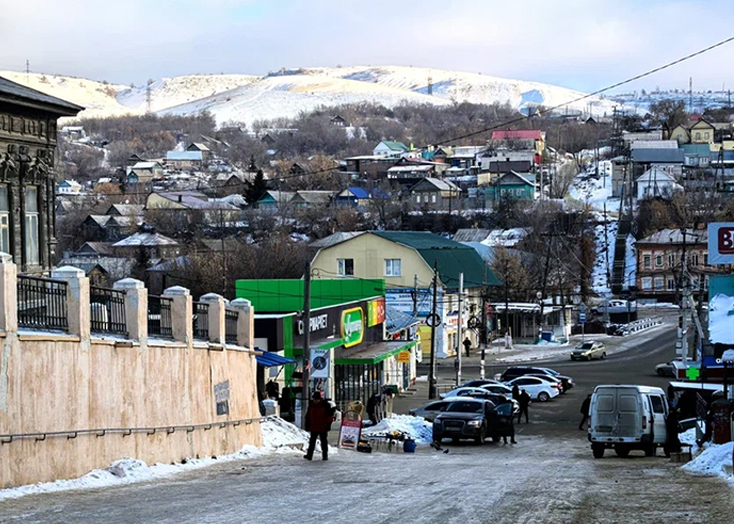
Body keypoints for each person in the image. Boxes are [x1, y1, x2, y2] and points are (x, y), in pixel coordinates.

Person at [304, 391, 333, 461]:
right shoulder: (311, 405)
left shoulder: (325, 405)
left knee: (323, 442)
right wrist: (307, 425)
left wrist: (328, 425)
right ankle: (309, 455)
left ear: (320, 399)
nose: (315, 400)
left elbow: (329, 416)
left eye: (316, 399)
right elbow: (308, 416)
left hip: (323, 426)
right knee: (312, 442)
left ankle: (325, 456)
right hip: (313, 426)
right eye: (314, 399)